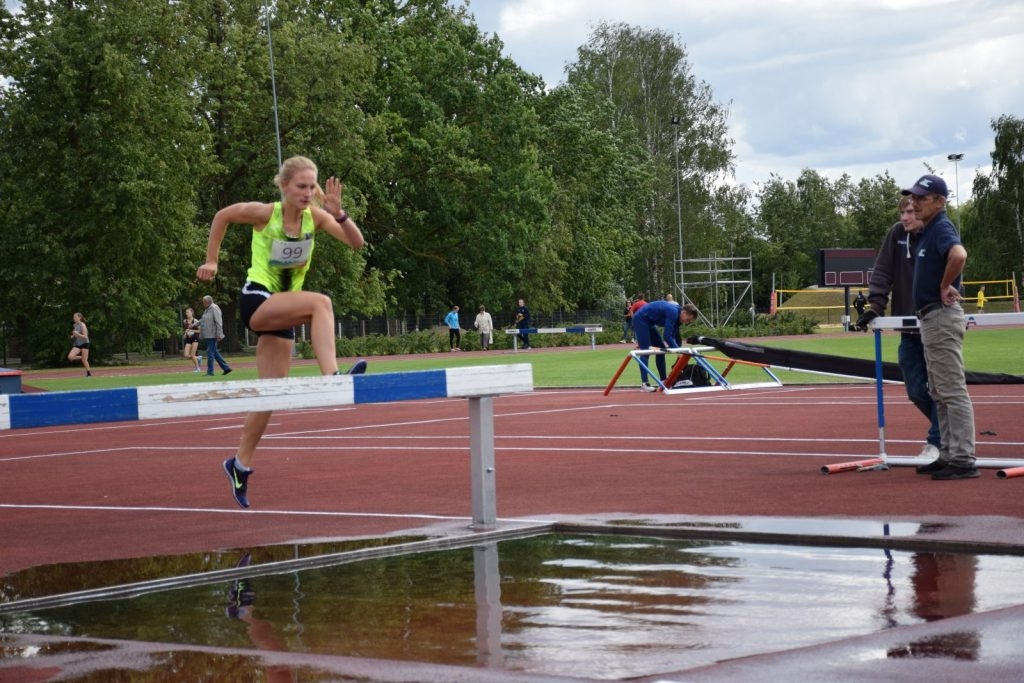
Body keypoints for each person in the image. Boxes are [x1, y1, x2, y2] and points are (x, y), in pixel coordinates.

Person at [197, 155, 365, 508]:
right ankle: (332, 377)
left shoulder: (316, 218)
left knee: (270, 395)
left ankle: (239, 464)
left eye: (311, 187)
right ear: (284, 186)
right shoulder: (265, 213)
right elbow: (223, 215)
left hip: (283, 312)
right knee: (321, 303)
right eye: (300, 186)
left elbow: (356, 244)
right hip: (257, 299)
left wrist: (339, 213)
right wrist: (212, 259)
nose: (307, 193)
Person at [903, 174, 978, 480]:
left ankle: (962, 458)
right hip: (930, 318)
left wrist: (945, 284)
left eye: (921, 198)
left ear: (939, 201)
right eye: (914, 198)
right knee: (940, 390)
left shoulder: (941, 227)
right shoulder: (929, 230)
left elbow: (959, 254)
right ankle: (949, 452)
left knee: (951, 389)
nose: (915, 203)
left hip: (940, 316)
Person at [856, 196, 940, 465]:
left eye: (912, 212)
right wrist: (876, 306)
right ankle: (952, 430)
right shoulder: (896, 234)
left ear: (924, 212)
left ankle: (937, 442)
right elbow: (882, 271)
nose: (905, 217)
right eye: (903, 212)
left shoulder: (938, 232)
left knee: (941, 388)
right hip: (908, 327)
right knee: (915, 389)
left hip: (937, 322)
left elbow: (956, 263)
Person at [632, 300, 698, 391]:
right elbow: (667, 336)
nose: (687, 322)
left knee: (661, 350)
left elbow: (673, 337)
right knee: (645, 351)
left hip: (649, 322)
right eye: (688, 319)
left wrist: (678, 350)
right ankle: (645, 383)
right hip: (641, 319)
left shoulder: (678, 318)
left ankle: (663, 381)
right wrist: (679, 352)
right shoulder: (673, 313)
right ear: (684, 312)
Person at [199, 295, 233, 376]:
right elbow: (203, 319)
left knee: (210, 353)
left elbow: (219, 322)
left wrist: (219, 334)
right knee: (214, 352)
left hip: (212, 335)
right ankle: (226, 368)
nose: (203, 304)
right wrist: (194, 324)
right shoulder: (207, 309)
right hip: (207, 334)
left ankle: (210, 372)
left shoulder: (214, 308)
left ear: (207, 302)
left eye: (203, 302)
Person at [68, 312, 92, 377]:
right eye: (73, 317)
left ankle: (89, 373)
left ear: (79, 318)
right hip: (78, 344)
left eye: (75, 317)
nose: (74, 318)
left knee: (84, 361)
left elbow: (85, 337)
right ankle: (83, 357)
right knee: (70, 357)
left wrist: (77, 334)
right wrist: (73, 335)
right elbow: (76, 332)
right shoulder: (75, 325)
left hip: (85, 343)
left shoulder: (83, 325)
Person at [182, 307, 202, 373]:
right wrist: (185, 334)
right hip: (188, 339)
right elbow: (186, 329)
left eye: (188, 312)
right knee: (186, 355)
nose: (186, 313)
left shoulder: (195, 321)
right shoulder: (185, 321)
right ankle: (198, 358)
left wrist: (191, 330)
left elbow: (200, 331)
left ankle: (198, 369)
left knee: (192, 354)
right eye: (186, 312)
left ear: (192, 313)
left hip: (195, 338)